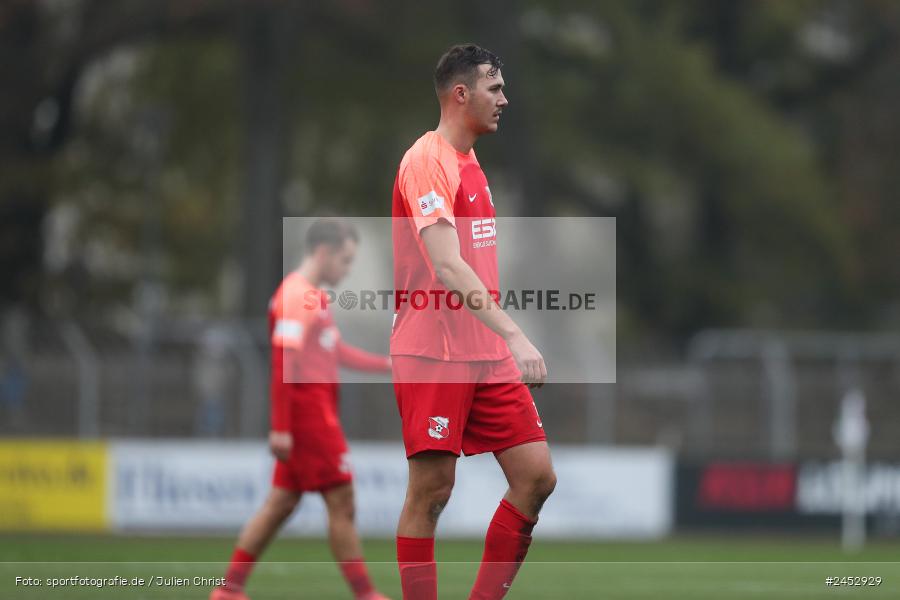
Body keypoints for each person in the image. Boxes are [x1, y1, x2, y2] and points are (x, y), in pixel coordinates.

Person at [390, 44, 556, 600]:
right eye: (495, 87)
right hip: (432, 350)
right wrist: (514, 331)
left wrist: (500, 338)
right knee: (432, 491)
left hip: (483, 353)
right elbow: (445, 264)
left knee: (536, 477)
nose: (505, 99)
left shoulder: (471, 163)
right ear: (461, 94)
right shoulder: (425, 160)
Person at [211, 219, 391, 600]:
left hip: (312, 413)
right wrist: (280, 427)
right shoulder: (297, 295)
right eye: (345, 259)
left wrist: (389, 364)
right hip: (310, 417)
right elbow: (283, 360)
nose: (347, 269)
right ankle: (366, 595)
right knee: (342, 500)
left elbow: (337, 351)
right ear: (323, 253)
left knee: (281, 502)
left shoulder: (312, 297)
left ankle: (229, 589)